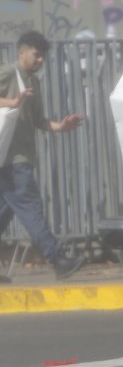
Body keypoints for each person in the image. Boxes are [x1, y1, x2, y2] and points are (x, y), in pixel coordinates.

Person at [0, 31, 85, 281]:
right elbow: (13, 104)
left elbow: (38, 120)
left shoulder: (33, 83)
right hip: (13, 161)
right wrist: (12, 102)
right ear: (22, 52)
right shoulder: (8, 72)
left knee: (5, 212)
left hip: (13, 159)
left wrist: (61, 126)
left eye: (42, 57)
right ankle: (57, 259)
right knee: (31, 208)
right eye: (36, 55)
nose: (40, 61)